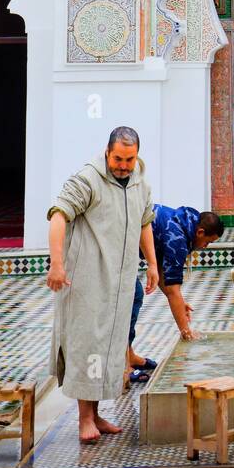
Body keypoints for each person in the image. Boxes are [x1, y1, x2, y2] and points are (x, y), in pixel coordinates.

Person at [46, 126, 158, 443]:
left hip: (119, 282)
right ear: (107, 152)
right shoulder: (87, 179)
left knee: (109, 347)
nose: (123, 165)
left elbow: (144, 222)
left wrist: (151, 263)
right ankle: (85, 420)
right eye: (119, 159)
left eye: (130, 159)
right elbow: (58, 215)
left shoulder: (139, 183)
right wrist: (57, 263)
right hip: (86, 279)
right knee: (89, 346)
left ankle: (95, 414)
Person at [126, 206, 225, 381]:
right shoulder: (178, 239)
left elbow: (166, 279)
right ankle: (123, 367)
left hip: (124, 243)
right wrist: (186, 332)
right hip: (114, 245)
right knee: (131, 297)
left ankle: (129, 355)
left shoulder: (185, 221)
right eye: (208, 242)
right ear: (200, 232)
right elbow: (172, 289)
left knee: (134, 295)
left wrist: (180, 301)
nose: (204, 247)